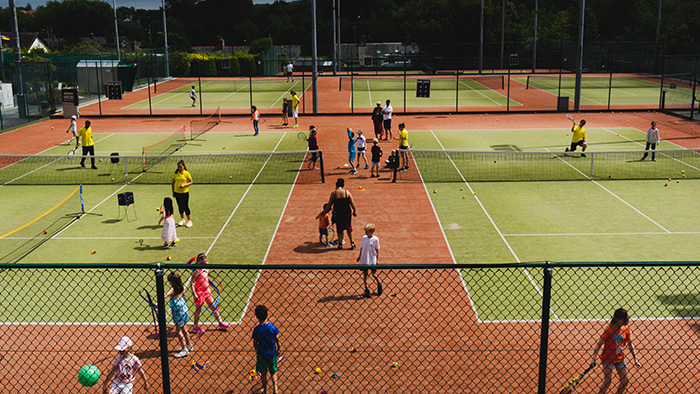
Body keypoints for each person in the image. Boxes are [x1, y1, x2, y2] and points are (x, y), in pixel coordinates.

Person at [590, 308, 641, 394]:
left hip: (620, 358)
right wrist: (593, 358)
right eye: (626, 319)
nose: (628, 321)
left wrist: (635, 358)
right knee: (607, 382)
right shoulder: (609, 330)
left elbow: (630, 344)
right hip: (607, 359)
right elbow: (598, 344)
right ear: (618, 319)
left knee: (625, 381)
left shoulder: (626, 329)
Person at [190, 253, 230, 334]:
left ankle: (220, 323)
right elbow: (191, 283)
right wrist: (194, 294)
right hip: (199, 293)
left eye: (204, 263)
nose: (204, 264)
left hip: (207, 291)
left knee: (213, 306)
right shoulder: (196, 272)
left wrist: (203, 262)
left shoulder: (205, 268)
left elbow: (207, 264)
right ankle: (195, 326)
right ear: (197, 262)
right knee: (198, 310)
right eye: (202, 263)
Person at [321, 178, 357, 250]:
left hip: (338, 213)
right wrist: (354, 211)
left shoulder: (334, 194)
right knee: (348, 227)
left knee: (339, 228)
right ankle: (352, 243)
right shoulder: (347, 192)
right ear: (343, 185)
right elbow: (352, 203)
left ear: (336, 185)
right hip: (347, 212)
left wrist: (324, 212)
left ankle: (340, 244)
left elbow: (329, 205)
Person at [252, 305, 281, 394]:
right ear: (267, 314)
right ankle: (275, 390)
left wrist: (257, 350)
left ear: (257, 316)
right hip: (272, 353)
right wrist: (279, 350)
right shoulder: (272, 327)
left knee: (263, 373)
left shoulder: (256, 329)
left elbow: (255, 343)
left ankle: (265, 390)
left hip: (261, 355)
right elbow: (277, 339)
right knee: (273, 371)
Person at [165, 272, 193, 358]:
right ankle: (189, 345)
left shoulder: (173, 289)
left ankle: (184, 349)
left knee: (178, 330)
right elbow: (186, 298)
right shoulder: (181, 287)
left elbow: (165, 295)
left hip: (177, 312)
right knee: (184, 328)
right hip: (184, 310)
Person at [356, 223, 382, 298]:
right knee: (365, 274)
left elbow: (377, 249)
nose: (365, 233)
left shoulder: (375, 239)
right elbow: (361, 248)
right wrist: (359, 256)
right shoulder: (364, 238)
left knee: (374, 274)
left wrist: (377, 259)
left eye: (367, 231)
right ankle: (366, 289)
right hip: (365, 259)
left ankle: (379, 284)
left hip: (372, 259)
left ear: (371, 231)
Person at [172, 160, 193, 228]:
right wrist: (173, 192)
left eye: (180, 167)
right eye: (178, 167)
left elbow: (191, 181)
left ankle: (189, 221)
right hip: (177, 192)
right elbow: (173, 183)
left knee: (185, 206)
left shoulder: (186, 173)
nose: (179, 168)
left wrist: (184, 185)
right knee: (180, 206)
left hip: (185, 192)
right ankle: (182, 219)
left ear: (183, 167)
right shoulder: (175, 173)